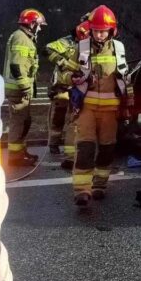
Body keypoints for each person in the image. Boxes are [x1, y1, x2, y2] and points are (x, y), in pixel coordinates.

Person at [70, 5, 131, 206]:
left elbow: (124, 80)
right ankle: (82, 190)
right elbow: (63, 72)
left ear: (112, 31)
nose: (99, 34)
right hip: (87, 108)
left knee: (107, 149)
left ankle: (99, 185)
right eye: (96, 30)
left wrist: (128, 105)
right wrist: (71, 76)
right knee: (85, 148)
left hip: (110, 110)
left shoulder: (119, 49)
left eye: (103, 30)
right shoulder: (82, 47)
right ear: (91, 29)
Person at [44, 17, 90, 169]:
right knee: (58, 116)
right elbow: (47, 49)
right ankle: (53, 144)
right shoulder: (67, 42)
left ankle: (70, 151)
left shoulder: (86, 45)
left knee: (73, 118)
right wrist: (62, 62)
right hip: (61, 85)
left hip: (75, 86)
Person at [4, 8, 46, 166]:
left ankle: (20, 152)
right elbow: (17, 65)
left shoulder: (22, 36)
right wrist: (25, 87)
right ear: (32, 24)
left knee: (24, 121)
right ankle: (15, 157)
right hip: (18, 89)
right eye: (39, 25)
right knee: (19, 122)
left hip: (19, 88)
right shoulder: (22, 38)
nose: (40, 29)